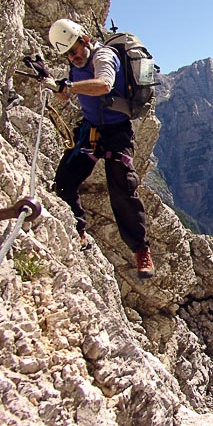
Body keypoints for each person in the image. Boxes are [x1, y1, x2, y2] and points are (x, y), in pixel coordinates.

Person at [46, 18, 154, 278]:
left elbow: (104, 84)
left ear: (84, 40)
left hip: (117, 132)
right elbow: (67, 94)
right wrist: (54, 84)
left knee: (122, 190)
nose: (73, 57)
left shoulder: (103, 56)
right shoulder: (76, 66)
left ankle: (141, 251)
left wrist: (69, 87)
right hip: (91, 130)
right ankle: (79, 232)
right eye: (67, 54)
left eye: (74, 50)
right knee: (64, 181)